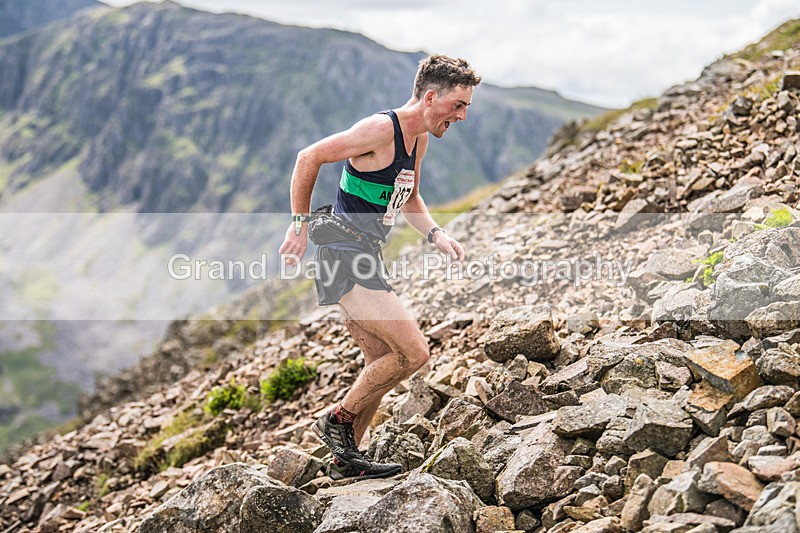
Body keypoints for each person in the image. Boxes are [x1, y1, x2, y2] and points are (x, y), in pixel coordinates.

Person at [279, 54, 480, 480]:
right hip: (342, 253)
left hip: (365, 254)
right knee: (414, 353)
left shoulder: (418, 140)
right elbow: (308, 157)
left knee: (382, 360)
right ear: (431, 97)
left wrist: (437, 235)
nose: (462, 116)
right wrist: (298, 224)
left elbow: (410, 197)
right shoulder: (379, 130)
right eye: (458, 105)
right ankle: (336, 420)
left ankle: (345, 462)